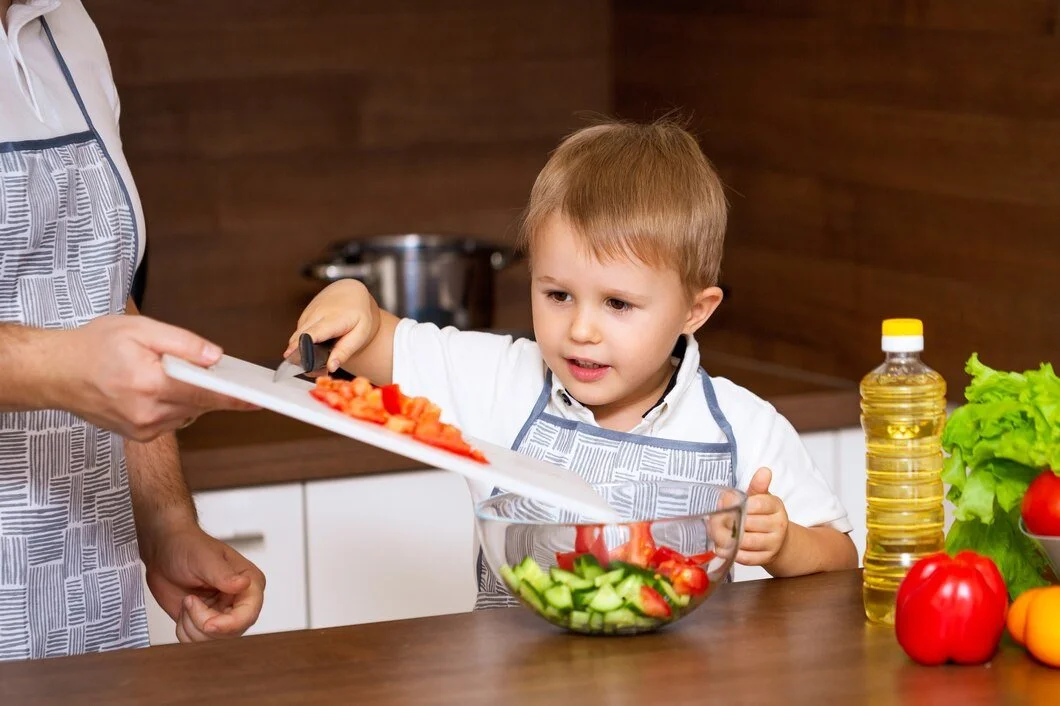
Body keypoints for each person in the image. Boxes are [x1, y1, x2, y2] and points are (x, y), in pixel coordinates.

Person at [287, 117, 858, 608]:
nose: (581, 330)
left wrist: (784, 545)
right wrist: (354, 300)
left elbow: (840, 560)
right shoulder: (501, 380)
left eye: (617, 303)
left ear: (694, 310)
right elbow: (379, 342)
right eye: (558, 295)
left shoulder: (743, 427)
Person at [0, 0, 263, 658]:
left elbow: (101, 293)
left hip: (86, 607)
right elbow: (76, 358)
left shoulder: (68, 27)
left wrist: (166, 521)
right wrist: (53, 369)